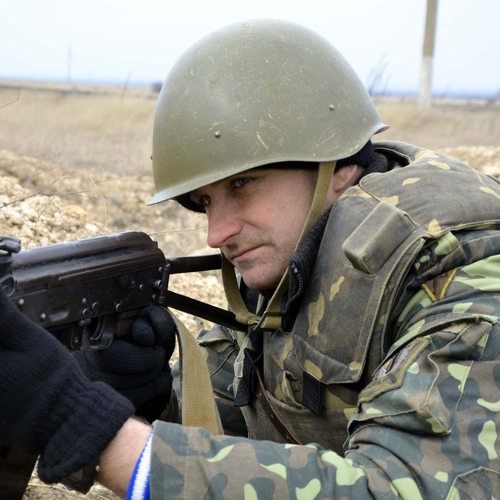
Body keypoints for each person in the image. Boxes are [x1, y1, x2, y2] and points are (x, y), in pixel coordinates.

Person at [1, 18, 500, 499]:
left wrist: (92, 433)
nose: (216, 233)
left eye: (242, 183)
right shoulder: (299, 260)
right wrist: (149, 396)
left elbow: (404, 488)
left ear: (338, 163)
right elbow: (238, 422)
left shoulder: (468, 270)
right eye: (205, 201)